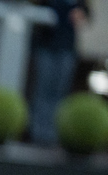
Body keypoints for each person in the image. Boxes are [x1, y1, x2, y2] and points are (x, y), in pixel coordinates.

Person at [29, 0, 91, 145]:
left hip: (66, 47)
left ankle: (54, 133)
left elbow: (86, 13)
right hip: (46, 44)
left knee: (60, 91)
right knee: (44, 88)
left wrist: (81, 15)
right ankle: (38, 132)